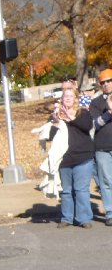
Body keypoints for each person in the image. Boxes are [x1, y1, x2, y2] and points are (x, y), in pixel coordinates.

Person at [53, 87, 94, 228]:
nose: (68, 98)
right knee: (66, 191)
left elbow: (86, 127)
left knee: (81, 189)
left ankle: (84, 219)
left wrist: (71, 118)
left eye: (71, 96)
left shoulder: (83, 113)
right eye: (66, 96)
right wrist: (55, 121)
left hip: (83, 156)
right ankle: (66, 218)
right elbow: (52, 135)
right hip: (65, 159)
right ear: (62, 99)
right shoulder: (57, 115)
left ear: (76, 98)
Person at [90, 68, 112, 226]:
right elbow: (94, 124)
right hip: (102, 147)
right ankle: (110, 213)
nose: (106, 84)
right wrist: (109, 113)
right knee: (105, 181)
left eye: (109, 81)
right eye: (103, 82)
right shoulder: (96, 103)